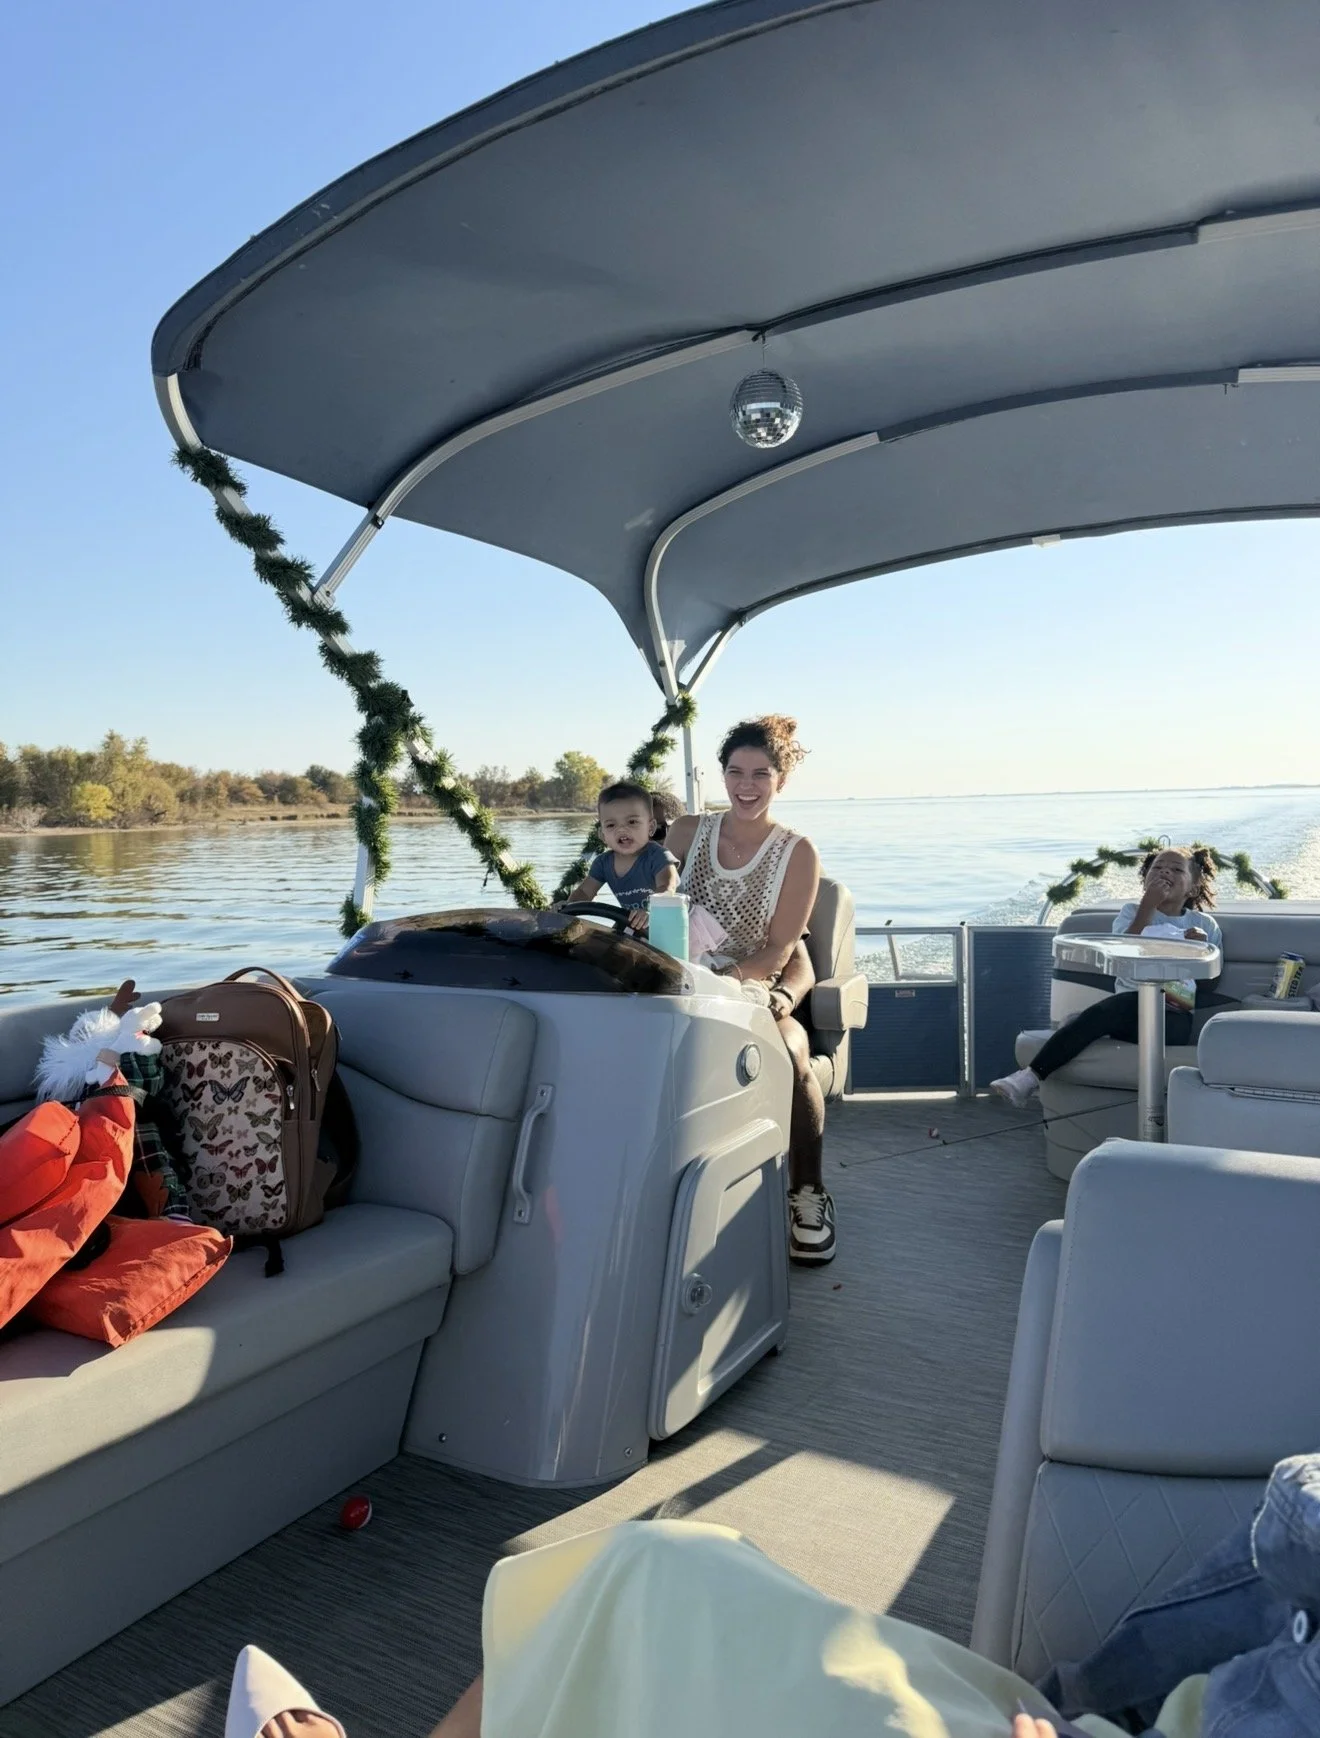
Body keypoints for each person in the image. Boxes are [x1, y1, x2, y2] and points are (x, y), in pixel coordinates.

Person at [664, 716, 832, 1265]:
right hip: (675, 977)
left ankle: (808, 1192)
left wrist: (722, 985)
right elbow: (649, 899)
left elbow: (782, 951)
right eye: (736, 771)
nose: (746, 785)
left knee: (792, 1051)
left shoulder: (798, 852)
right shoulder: (686, 833)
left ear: (780, 781)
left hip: (748, 981)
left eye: (761, 774)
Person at [990, 846, 1222, 1108]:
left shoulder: (1205, 925)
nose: (1165, 871)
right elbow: (1124, 953)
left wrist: (1200, 950)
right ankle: (1029, 1078)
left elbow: (1210, 981)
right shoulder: (1129, 913)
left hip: (1174, 1016)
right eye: (1157, 868)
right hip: (1127, 1006)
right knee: (1118, 1007)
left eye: (1177, 869)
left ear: (1192, 887)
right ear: (1145, 879)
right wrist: (1148, 904)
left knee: (1104, 1013)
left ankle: (1081, 1031)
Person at [560, 781, 678, 932]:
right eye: (611, 825)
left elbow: (667, 887)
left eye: (632, 822)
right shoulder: (602, 863)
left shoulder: (658, 855)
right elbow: (585, 892)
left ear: (651, 827)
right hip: (636, 923)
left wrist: (650, 910)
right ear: (603, 835)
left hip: (673, 921)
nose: (622, 829)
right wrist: (568, 908)